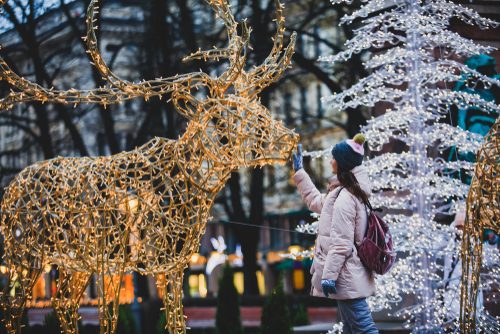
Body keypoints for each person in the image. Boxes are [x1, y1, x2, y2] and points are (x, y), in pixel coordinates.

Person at [292, 134, 378, 334]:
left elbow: (341, 244)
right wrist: (300, 172)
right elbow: (316, 201)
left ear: (342, 162)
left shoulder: (346, 198)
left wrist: (329, 277)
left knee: (364, 328)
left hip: (346, 275)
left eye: (334, 158)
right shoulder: (342, 193)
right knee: (350, 328)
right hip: (347, 275)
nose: (331, 161)